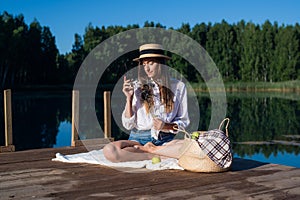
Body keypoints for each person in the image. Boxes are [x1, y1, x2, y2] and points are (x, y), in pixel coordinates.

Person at [103, 43, 190, 162]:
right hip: (138, 140)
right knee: (110, 151)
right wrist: (129, 98)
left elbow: (183, 122)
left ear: (160, 63)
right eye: (144, 64)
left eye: (151, 63)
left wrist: (166, 126)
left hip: (166, 140)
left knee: (190, 147)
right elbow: (128, 124)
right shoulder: (136, 87)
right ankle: (154, 153)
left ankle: (152, 151)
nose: (147, 68)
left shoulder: (179, 87)